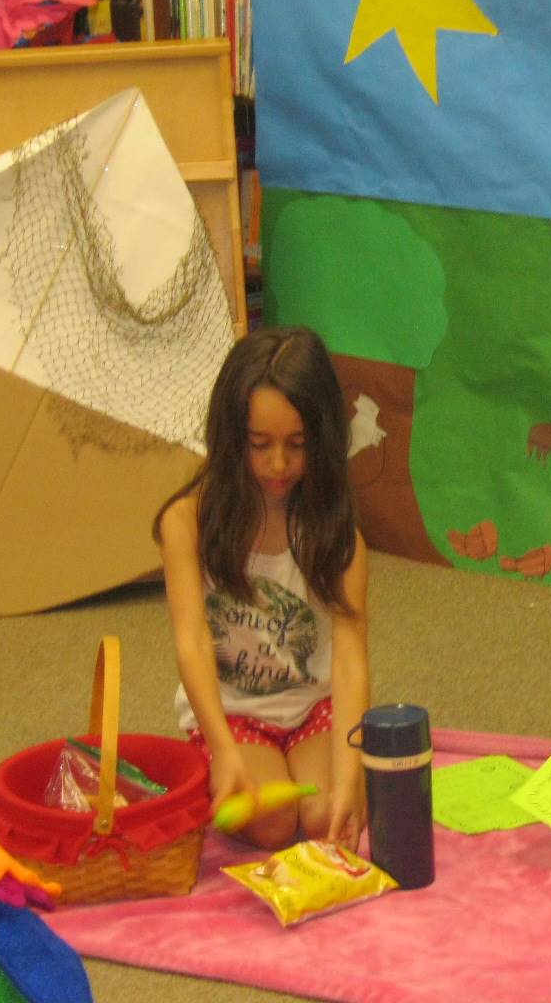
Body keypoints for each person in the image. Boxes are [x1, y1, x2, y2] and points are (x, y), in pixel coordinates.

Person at [154, 326, 370, 849]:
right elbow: (194, 642)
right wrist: (223, 749)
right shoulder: (187, 522)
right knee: (274, 824)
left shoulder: (338, 533)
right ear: (232, 440)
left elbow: (349, 661)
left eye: (297, 446)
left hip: (311, 709)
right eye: (260, 445)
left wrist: (352, 768)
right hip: (233, 715)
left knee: (325, 817)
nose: (278, 465)